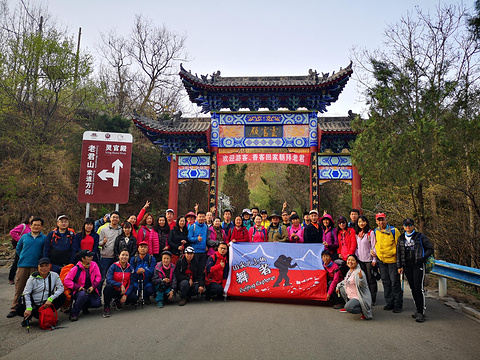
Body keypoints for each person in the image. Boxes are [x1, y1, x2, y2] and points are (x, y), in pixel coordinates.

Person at [7, 218, 46, 318]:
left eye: (38, 225)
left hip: (36, 267)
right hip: (23, 265)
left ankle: (31, 308)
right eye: (34, 225)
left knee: (34, 289)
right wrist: (23, 258)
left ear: (41, 227)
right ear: (30, 226)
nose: (36, 227)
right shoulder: (24, 237)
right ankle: (14, 307)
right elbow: (18, 249)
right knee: (20, 287)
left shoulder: (44, 238)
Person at [397, 218, 433, 322]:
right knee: (413, 288)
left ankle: (421, 312)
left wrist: (422, 257)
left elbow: (430, 249)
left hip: (418, 265)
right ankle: (417, 309)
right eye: (406, 225)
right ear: (403, 226)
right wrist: (399, 266)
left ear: (413, 226)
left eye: (410, 225)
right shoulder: (401, 238)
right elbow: (399, 253)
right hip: (407, 266)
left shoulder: (420, 236)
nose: (408, 227)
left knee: (418, 288)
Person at [18, 257, 66, 327]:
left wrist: (51, 299)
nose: (44, 268)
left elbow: (61, 288)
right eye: (41, 266)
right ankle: (28, 317)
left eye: (46, 266)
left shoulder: (54, 275)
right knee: (19, 308)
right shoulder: (32, 278)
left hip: (46, 304)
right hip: (34, 305)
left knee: (62, 296)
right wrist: (29, 308)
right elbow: (26, 293)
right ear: (38, 267)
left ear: (50, 266)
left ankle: (49, 314)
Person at [375, 212, 402, 313]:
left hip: (393, 261)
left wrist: (400, 264)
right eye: (379, 220)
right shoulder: (376, 231)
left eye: (382, 219)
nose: (381, 222)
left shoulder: (394, 231)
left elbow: (399, 248)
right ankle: (389, 302)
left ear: (386, 220)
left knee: (394, 282)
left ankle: (398, 304)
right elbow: (375, 243)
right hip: (382, 261)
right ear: (376, 221)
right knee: (386, 282)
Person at [64, 250, 102, 321]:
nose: (91, 257)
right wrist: (78, 287)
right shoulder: (76, 268)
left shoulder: (94, 264)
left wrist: (93, 286)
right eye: (89, 256)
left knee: (97, 304)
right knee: (83, 295)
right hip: (79, 291)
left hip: (91, 289)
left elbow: (98, 276)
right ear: (83, 259)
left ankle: (84, 307)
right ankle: (74, 313)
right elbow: (67, 280)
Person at [336, 254, 372, 320]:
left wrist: (361, 278)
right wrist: (338, 286)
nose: (350, 262)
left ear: (357, 262)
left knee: (349, 308)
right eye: (349, 260)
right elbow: (345, 281)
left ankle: (364, 310)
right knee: (341, 288)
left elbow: (362, 285)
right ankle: (349, 304)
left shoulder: (359, 272)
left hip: (359, 297)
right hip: (351, 296)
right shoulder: (350, 271)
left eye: (353, 260)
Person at [103, 249, 137, 318]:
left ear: (129, 257)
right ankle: (107, 307)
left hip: (124, 290)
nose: (124, 257)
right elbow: (108, 280)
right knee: (108, 288)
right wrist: (120, 285)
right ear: (119, 256)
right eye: (123, 255)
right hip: (115, 289)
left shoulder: (130, 268)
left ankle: (118, 301)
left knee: (134, 298)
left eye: (126, 255)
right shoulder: (113, 266)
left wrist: (125, 295)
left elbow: (131, 283)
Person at [355, 215, 378, 305]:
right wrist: (356, 257)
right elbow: (356, 247)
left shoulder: (370, 233)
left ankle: (372, 299)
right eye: (360, 222)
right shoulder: (357, 233)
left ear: (366, 222)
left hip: (369, 260)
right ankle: (365, 297)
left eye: (363, 221)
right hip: (360, 260)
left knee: (371, 279)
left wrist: (374, 259)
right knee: (362, 279)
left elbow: (374, 246)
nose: (361, 223)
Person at [99, 211, 123, 292]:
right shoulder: (103, 229)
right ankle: (98, 296)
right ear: (110, 218)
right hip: (105, 257)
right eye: (113, 217)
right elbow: (98, 243)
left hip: (116, 258)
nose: (115, 219)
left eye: (117, 217)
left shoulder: (121, 230)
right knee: (102, 278)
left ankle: (113, 297)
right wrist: (103, 243)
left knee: (115, 278)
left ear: (119, 219)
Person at [8, 215, 33, 284]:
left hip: (29, 247)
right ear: (28, 218)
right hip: (22, 247)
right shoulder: (23, 226)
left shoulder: (32, 227)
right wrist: (20, 240)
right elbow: (12, 232)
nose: (32, 219)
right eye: (31, 218)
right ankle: (11, 278)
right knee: (17, 262)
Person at [130, 241, 156, 305]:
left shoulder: (151, 259)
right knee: (133, 292)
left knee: (149, 290)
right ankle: (136, 297)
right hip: (136, 281)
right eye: (141, 247)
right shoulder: (133, 259)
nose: (143, 249)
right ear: (138, 249)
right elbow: (131, 272)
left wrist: (145, 271)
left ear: (147, 249)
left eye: (145, 247)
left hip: (147, 281)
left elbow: (152, 271)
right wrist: (137, 271)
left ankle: (146, 297)